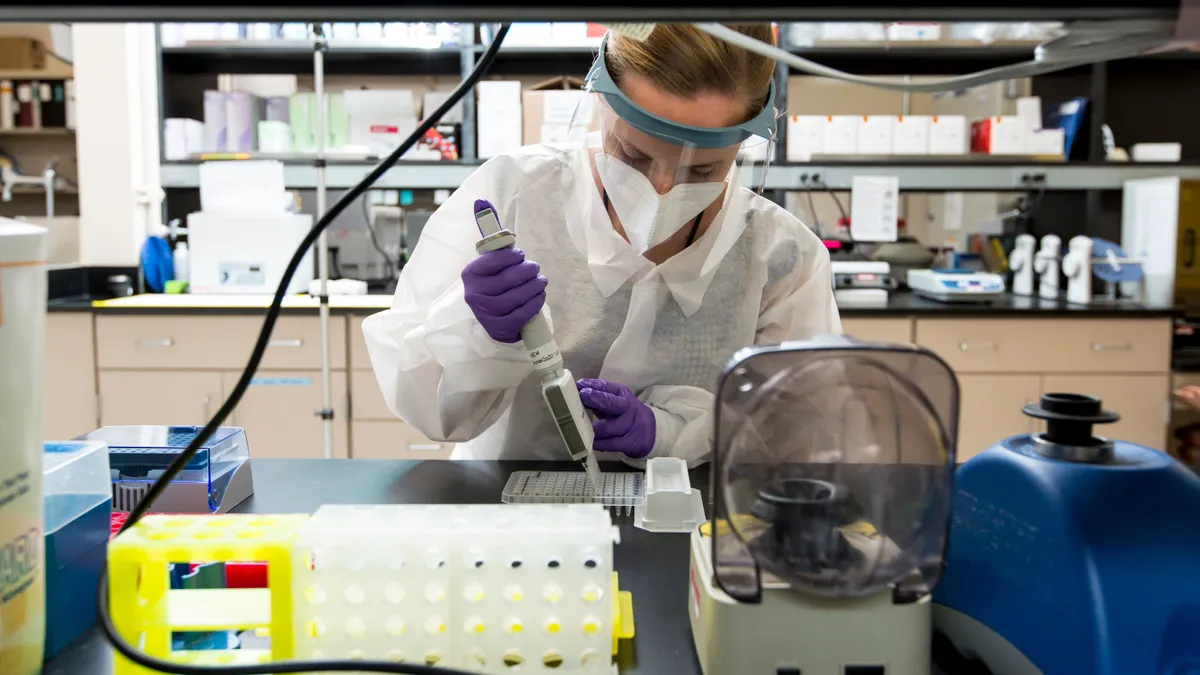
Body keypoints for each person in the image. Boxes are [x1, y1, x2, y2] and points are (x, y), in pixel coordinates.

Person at [363, 24, 841, 466]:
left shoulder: (781, 256)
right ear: (599, 100)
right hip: (506, 515)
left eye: (702, 171)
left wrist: (675, 434)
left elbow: (796, 435)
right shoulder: (513, 193)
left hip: (684, 522)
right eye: (633, 156)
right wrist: (475, 331)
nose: (663, 191)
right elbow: (429, 412)